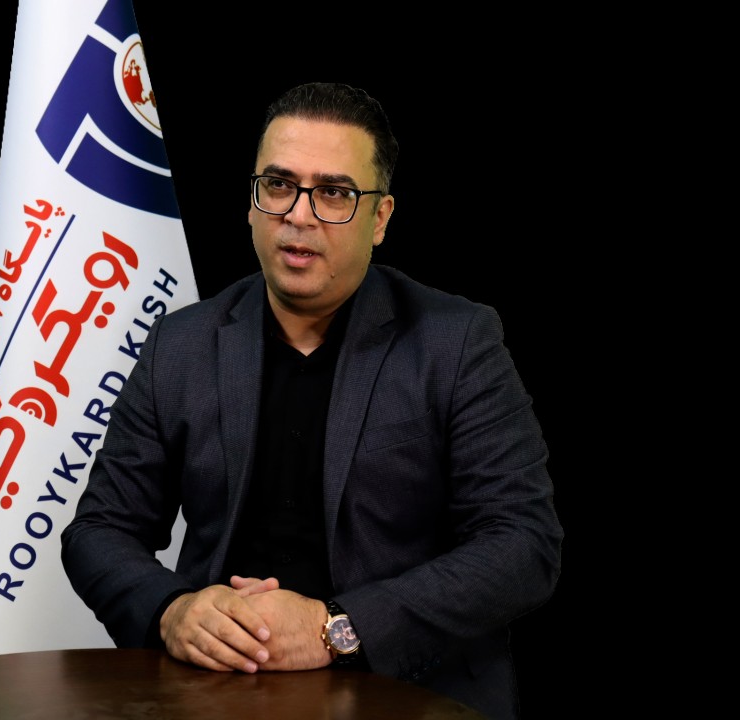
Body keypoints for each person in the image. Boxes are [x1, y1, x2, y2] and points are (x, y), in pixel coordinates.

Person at [61, 81, 563, 720]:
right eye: (278, 185)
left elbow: (523, 544)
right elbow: (100, 529)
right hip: (218, 693)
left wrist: (337, 628)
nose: (299, 215)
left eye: (334, 193)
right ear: (252, 203)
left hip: (408, 695)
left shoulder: (458, 342)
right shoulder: (180, 343)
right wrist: (173, 610)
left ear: (380, 219)